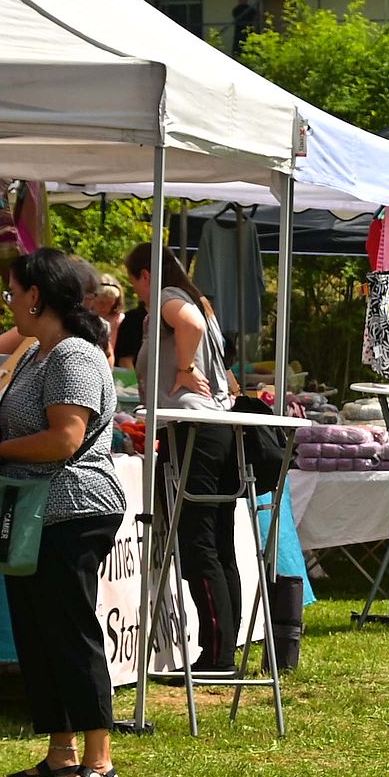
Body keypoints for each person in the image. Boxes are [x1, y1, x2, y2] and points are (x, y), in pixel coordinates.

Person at [0, 249, 128, 777]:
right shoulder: (37, 354)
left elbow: (65, 439)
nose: (9, 303)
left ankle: (100, 763)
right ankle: (61, 757)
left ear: (37, 296)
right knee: (39, 632)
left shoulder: (73, 355)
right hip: (36, 511)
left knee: (69, 630)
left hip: (74, 508)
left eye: (13, 293)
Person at [127, 248, 244, 679]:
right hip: (217, 428)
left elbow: (188, 325)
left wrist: (184, 367)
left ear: (145, 275)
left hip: (193, 429)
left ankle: (216, 655)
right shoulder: (199, 302)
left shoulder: (169, 298)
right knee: (218, 542)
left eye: (135, 283)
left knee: (198, 543)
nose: (138, 293)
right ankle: (222, 651)